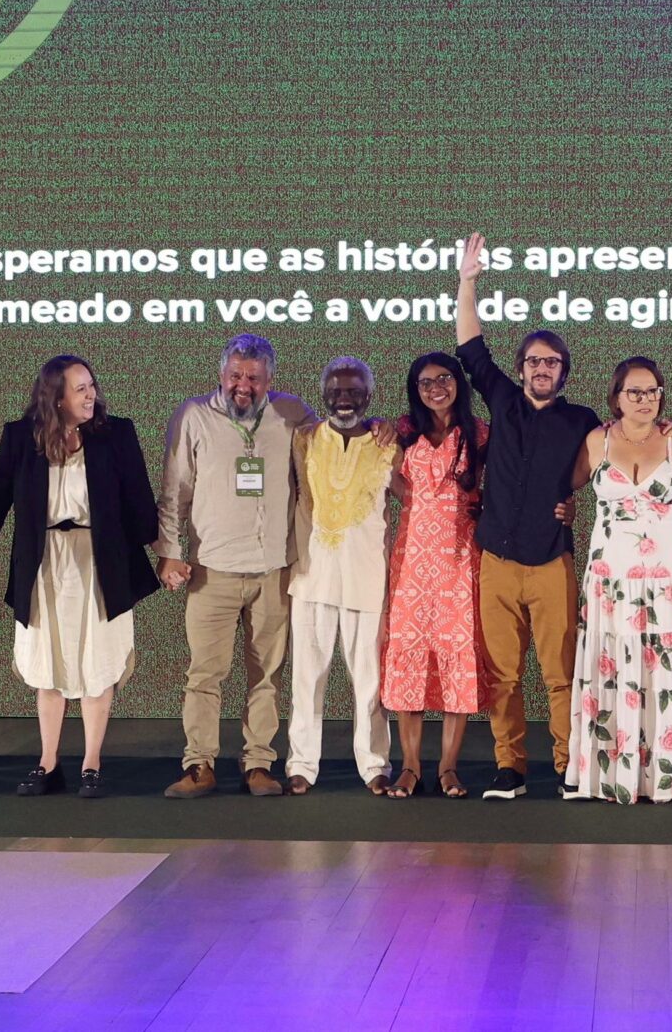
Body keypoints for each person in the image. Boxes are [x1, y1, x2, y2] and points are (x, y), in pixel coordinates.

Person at [0, 355, 161, 799]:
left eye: (92, 385)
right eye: (80, 389)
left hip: (101, 563)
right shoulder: (21, 436)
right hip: (44, 564)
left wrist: (166, 555)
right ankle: (48, 763)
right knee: (47, 665)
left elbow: (140, 502)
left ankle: (92, 763)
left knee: (98, 663)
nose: (91, 395)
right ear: (55, 397)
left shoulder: (116, 434)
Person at [452, 232, 603, 800]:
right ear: (520, 369)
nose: (543, 368)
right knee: (502, 674)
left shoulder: (583, 420)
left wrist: (573, 495)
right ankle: (509, 767)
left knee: (561, 675)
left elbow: (613, 456)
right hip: (496, 557)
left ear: (564, 372)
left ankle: (567, 766)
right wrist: (467, 282)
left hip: (550, 560)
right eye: (535, 360)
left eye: (552, 362)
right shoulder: (502, 399)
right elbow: (471, 346)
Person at [156, 334, 316, 798]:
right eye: (235, 375)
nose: (243, 385)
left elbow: (334, 446)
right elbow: (174, 491)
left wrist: (378, 428)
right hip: (212, 570)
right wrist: (169, 552)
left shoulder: (292, 414)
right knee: (204, 674)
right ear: (221, 375)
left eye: (253, 378)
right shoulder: (193, 416)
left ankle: (259, 763)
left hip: (274, 570)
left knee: (267, 676)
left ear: (270, 379)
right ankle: (199, 764)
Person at [562, 357, 672, 804]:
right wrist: (563, 508)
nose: (645, 399)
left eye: (652, 391)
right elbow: (561, 484)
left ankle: (661, 773)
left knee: (661, 669)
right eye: (635, 392)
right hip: (610, 581)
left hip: (664, 583)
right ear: (617, 397)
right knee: (611, 669)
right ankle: (608, 773)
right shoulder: (598, 440)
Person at [283, 357, 401, 795]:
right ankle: (301, 763)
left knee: (370, 681)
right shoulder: (303, 439)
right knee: (306, 678)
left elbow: (414, 497)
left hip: (367, 577)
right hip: (311, 574)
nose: (343, 399)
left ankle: (375, 765)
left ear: (369, 396)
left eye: (353, 391)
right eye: (335, 391)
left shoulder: (389, 445)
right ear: (323, 394)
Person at [382, 352, 487, 799]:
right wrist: (414, 500)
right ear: (415, 389)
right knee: (409, 658)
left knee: (455, 659)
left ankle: (448, 768)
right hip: (410, 562)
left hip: (460, 561)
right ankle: (409, 766)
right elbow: (389, 479)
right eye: (425, 382)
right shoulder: (403, 431)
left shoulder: (480, 433)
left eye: (444, 378)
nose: (436, 388)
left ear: (459, 382)